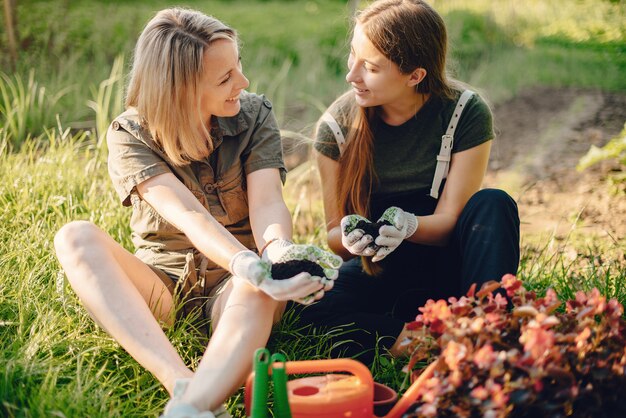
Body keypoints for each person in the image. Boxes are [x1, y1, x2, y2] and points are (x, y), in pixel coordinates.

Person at [53, 8, 342, 418]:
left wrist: (274, 254)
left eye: (237, 66)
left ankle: (193, 406)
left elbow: (267, 201)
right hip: (165, 285)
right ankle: (180, 383)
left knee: (253, 286)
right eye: (225, 79)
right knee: (74, 237)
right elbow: (188, 214)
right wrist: (245, 261)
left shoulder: (253, 113)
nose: (242, 82)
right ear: (179, 91)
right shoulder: (130, 134)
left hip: (234, 291)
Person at [294, 0, 520, 365]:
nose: (351, 76)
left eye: (369, 67)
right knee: (305, 305)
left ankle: (486, 324)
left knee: (494, 203)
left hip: (452, 267)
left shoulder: (465, 113)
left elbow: (450, 222)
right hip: (382, 270)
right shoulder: (335, 129)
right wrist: (352, 237)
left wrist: (408, 225)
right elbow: (334, 236)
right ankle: (423, 337)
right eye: (353, 57)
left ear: (415, 75)